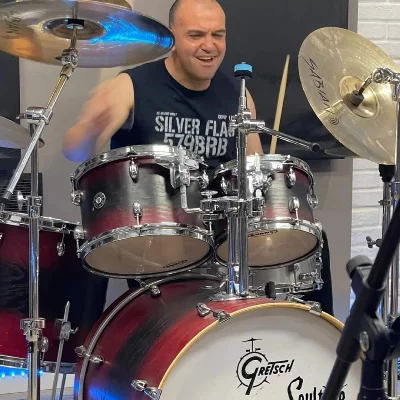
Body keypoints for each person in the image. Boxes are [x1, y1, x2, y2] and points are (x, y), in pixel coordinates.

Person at [62, 0, 334, 315]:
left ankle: (327, 339)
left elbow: (254, 170)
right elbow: (74, 151)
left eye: (218, 35)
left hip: (223, 240)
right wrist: (90, 130)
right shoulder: (131, 86)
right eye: (196, 35)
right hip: (159, 241)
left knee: (314, 240)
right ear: (173, 37)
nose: (209, 46)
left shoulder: (237, 95)